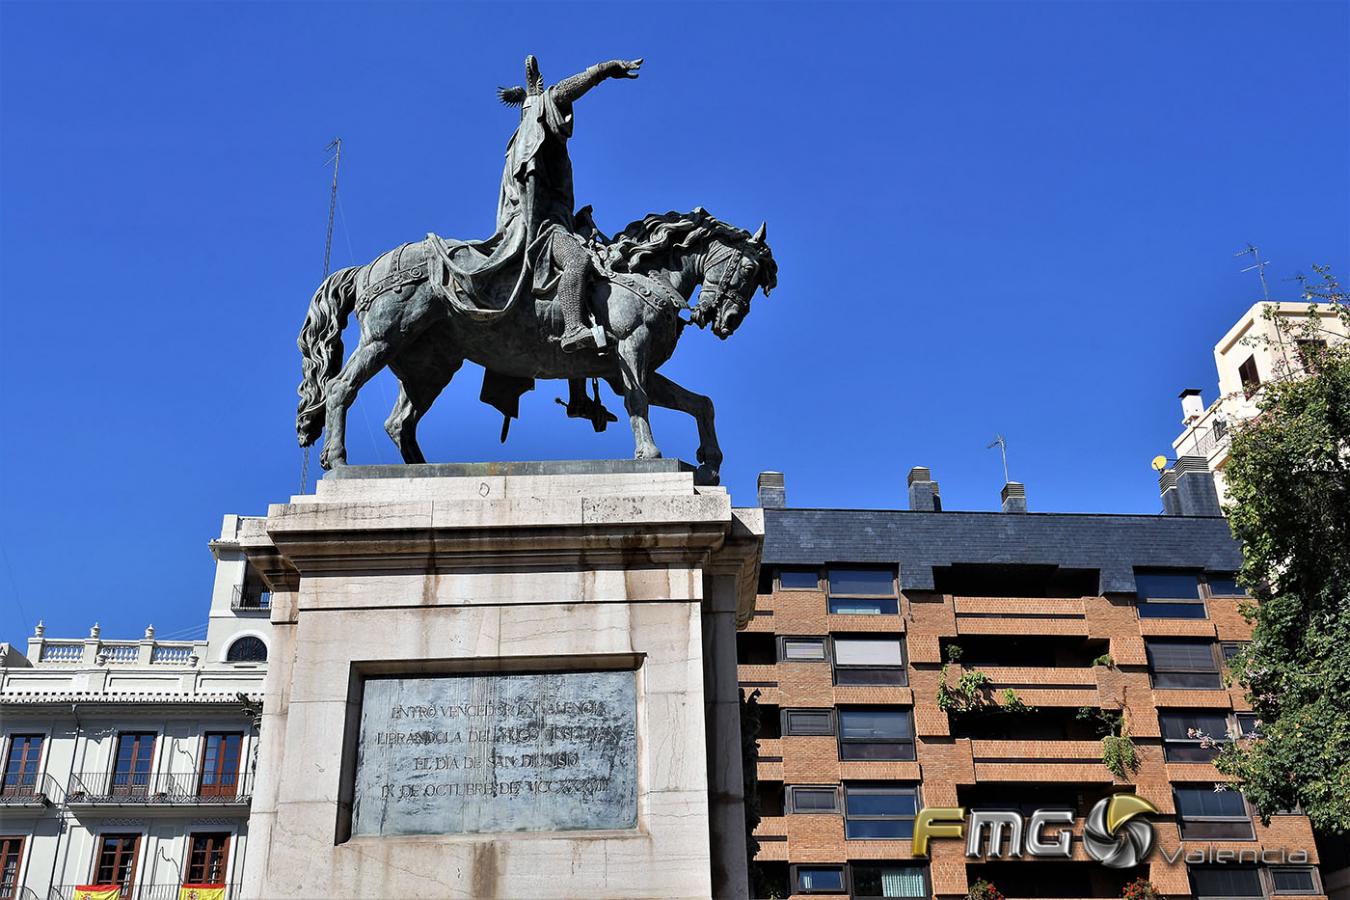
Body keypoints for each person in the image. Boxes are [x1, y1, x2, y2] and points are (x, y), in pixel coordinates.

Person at [495, 55, 642, 352]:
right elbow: (562, 91)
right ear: (541, 115)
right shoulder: (530, 140)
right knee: (577, 261)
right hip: (544, 229)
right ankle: (573, 329)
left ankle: (580, 395)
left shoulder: (520, 148)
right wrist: (601, 70)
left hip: (552, 223)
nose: (561, 118)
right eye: (552, 111)